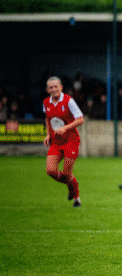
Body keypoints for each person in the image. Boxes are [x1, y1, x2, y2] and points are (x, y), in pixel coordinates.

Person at [43, 76, 84, 207]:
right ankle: (73, 184)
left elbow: (80, 119)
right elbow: (48, 119)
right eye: (51, 87)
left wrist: (65, 128)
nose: (54, 89)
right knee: (50, 171)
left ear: (61, 87)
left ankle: (75, 195)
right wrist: (48, 134)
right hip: (56, 142)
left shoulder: (68, 101)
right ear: (47, 90)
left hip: (71, 141)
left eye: (56, 86)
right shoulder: (46, 103)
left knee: (66, 174)